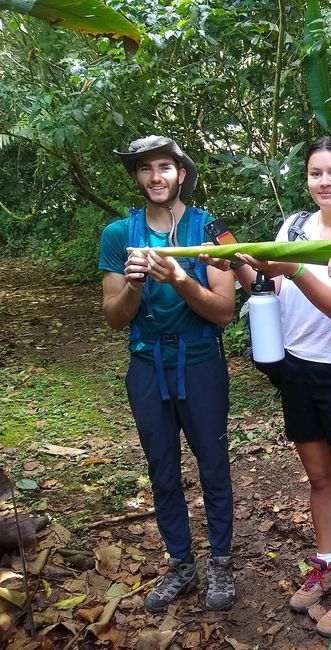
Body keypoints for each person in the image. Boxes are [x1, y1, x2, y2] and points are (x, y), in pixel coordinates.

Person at [202, 136, 331, 638]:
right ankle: (327, 560)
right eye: (315, 173)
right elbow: (268, 288)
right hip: (298, 368)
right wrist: (238, 263)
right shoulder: (292, 228)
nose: (324, 182)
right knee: (317, 477)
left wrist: (294, 268)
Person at [99, 135, 237, 612]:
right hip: (146, 364)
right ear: (137, 177)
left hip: (200, 363)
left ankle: (220, 561)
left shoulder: (211, 229)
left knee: (213, 464)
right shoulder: (120, 235)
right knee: (161, 468)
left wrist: (179, 277)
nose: (156, 177)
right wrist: (135, 284)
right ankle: (181, 563)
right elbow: (115, 316)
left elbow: (223, 311)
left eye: (165, 167)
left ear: (181, 172)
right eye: (145, 169)